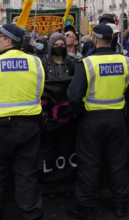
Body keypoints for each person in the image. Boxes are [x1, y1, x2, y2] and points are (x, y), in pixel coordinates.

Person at [0, 24, 45, 220]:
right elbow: (40, 90)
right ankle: (31, 215)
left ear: (8, 41)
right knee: (27, 175)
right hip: (30, 126)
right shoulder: (35, 62)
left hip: (0, 128)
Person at [66, 24, 129, 220]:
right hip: (118, 119)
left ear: (94, 39)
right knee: (118, 163)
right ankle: (120, 206)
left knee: (89, 165)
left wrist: (80, 113)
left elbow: (74, 96)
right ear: (112, 40)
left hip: (91, 120)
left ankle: (86, 208)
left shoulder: (86, 63)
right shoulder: (125, 61)